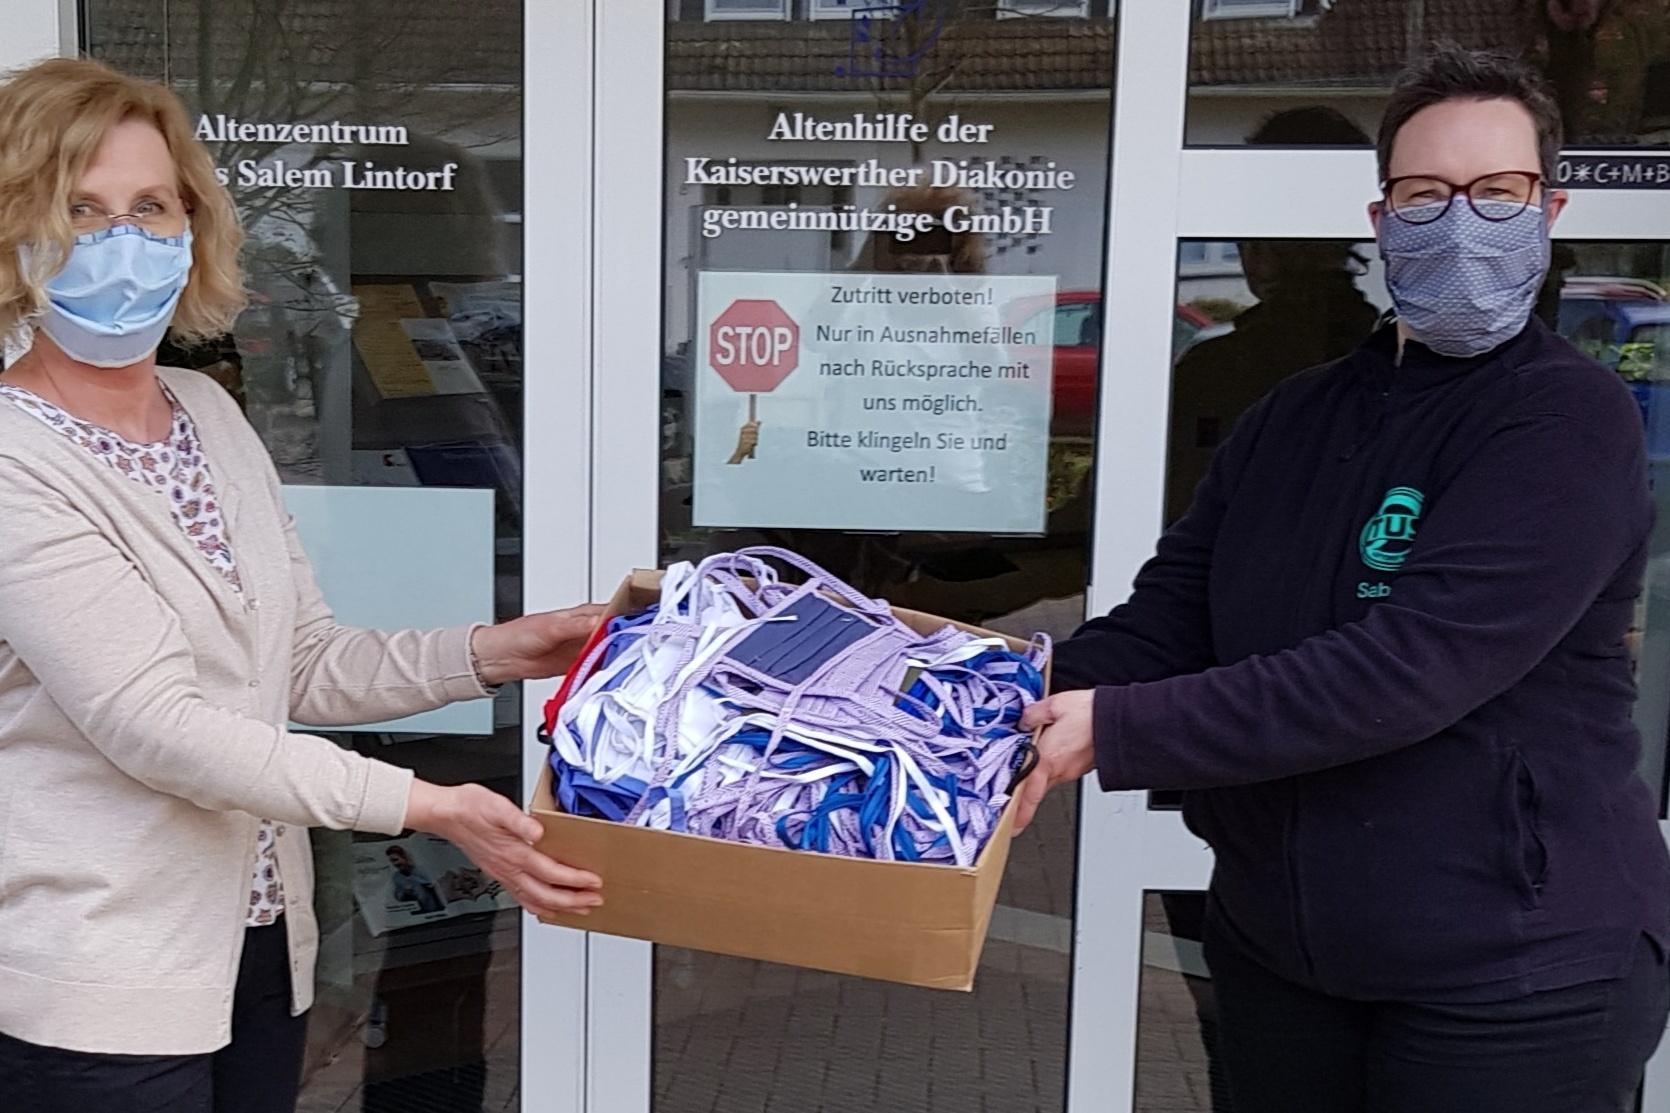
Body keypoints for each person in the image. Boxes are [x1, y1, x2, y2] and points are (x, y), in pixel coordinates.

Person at [1015, 44, 1670, 1113]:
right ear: (1380, 221)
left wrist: (1116, 729)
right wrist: (975, 699)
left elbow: (1405, 668)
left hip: (1512, 977)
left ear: (1546, 212)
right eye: (1424, 196)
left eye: (1494, 194)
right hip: (1286, 958)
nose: (1458, 222)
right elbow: (1167, 620)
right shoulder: (1291, 418)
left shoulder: (1563, 423)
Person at [0, 59, 603, 1113]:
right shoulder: (15, 457)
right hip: (99, 984)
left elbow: (306, 664)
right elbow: (156, 726)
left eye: (150, 206)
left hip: (254, 945)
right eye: (81, 212)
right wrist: (424, 804)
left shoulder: (206, 413)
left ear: (194, 221)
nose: (123, 243)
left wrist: (501, 649)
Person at [386, 846, 447, 914]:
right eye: (392, 861)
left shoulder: (420, 870)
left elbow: (433, 884)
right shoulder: (396, 877)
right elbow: (398, 895)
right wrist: (404, 892)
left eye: (396, 860)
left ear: (404, 858)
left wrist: (413, 881)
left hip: (432, 907)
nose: (395, 864)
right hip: (413, 910)